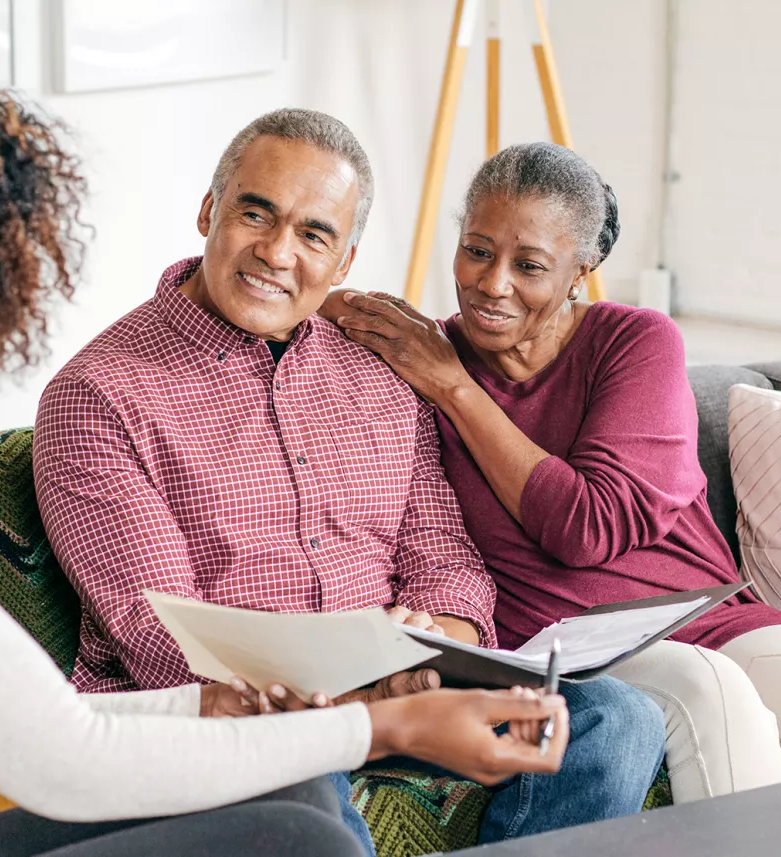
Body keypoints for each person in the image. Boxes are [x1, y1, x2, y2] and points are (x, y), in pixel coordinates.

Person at [0, 49, 576, 857]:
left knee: (290, 805)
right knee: (299, 839)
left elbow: (27, 725)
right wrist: (383, 727)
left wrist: (205, 710)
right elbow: (65, 760)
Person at [33, 109, 665, 850]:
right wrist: (368, 698)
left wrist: (438, 647)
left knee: (614, 719)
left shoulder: (380, 370)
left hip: (400, 686)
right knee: (297, 780)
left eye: (313, 234)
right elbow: (162, 637)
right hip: (239, 717)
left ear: (345, 261)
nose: (276, 252)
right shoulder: (99, 394)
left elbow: (445, 558)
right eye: (255, 212)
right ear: (209, 211)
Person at [321, 141, 781, 805]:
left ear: (580, 270)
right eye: (476, 250)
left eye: (528, 264)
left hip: (703, 611)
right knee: (712, 690)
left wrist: (455, 387)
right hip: (565, 643)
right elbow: (309, 307)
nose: (491, 282)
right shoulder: (425, 355)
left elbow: (586, 526)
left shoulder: (635, 343)